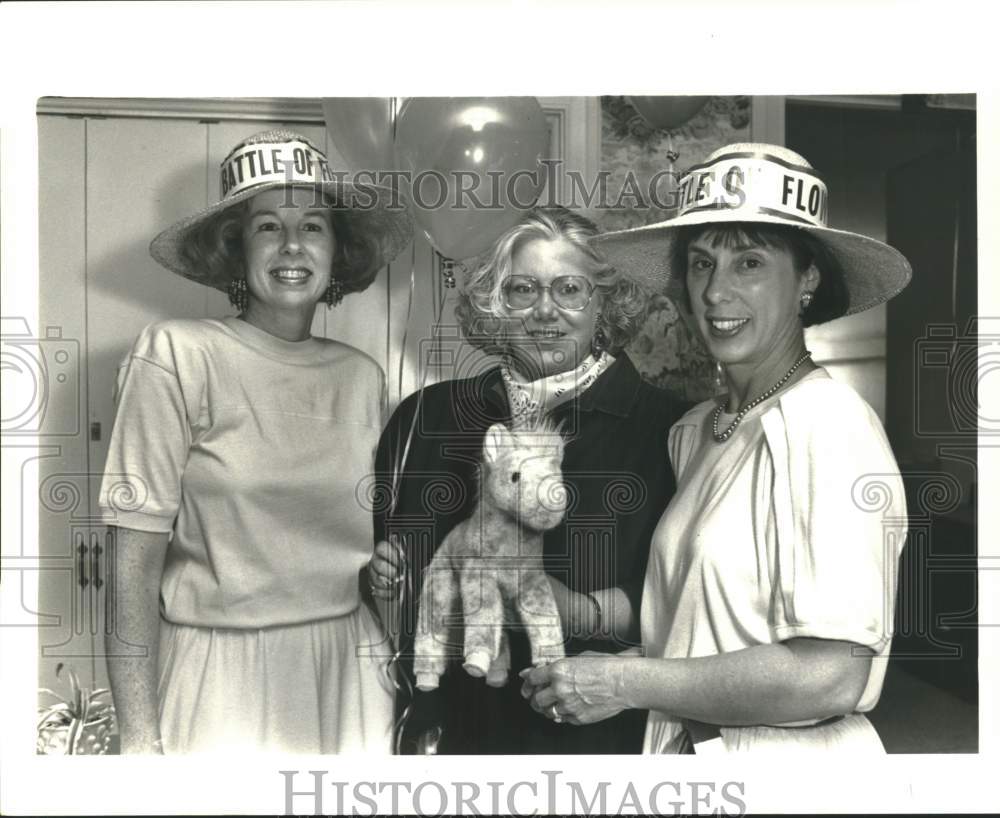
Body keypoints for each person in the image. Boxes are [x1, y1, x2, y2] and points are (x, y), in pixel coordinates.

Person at [522, 142, 912, 753]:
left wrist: (624, 682)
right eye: (702, 264)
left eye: (750, 263)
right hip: (691, 756)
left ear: (807, 279)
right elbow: (701, 617)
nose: (715, 293)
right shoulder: (698, 428)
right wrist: (578, 613)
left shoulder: (828, 423)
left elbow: (832, 674)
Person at [98, 129, 412, 754]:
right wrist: (138, 739)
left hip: (351, 669)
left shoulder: (362, 377)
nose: (292, 245)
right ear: (235, 246)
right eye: (268, 226)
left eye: (313, 226)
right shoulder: (174, 355)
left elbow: (364, 545)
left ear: (337, 248)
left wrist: (388, 575)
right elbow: (131, 568)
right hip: (220, 673)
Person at [367, 205, 688, 754]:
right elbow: (391, 585)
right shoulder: (426, 417)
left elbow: (689, 604)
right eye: (522, 289)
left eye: (570, 288)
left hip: (598, 745)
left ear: (605, 301)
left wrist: (578, 609)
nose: (546, 310)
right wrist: (387, 584)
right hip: (453, 737)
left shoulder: (671, 430)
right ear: (495, 302)